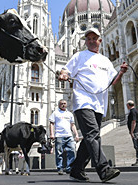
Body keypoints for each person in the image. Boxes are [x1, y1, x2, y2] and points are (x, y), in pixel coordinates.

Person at [58, 27, 128, 182]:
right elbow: (65, 70)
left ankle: (76, 169)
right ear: (85, 41)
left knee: (91, 137)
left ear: (99, 41)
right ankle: (104, 170)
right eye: (88, 38)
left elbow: (112, 81)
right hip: (83, 102)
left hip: (99, 104)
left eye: (94, 38)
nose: (91, 41)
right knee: (92, 135)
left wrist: (121, 72)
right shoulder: (79, 56)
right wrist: (63, 74)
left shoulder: (105, 61)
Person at [49, 99, 79, 175]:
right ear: (59, 105)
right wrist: (52, 134)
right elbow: (51, 124)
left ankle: (69, 168)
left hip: (69, 135)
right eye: (61, 103)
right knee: (59, 153)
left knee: (72, 151)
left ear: (67, 104)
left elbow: (73, 125)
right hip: (59, 136)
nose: (63, 105)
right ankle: (60, 168)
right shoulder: (55, 113)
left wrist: (76, 134)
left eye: (64, 103)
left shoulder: (70, 114)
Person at [126, 100, 138, 166]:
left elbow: (134, 121)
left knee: (136, 146)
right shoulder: (135, 110)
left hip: (135, 131)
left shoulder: (132, 111)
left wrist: (132, 131)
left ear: (128, 105)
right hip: (136, 130)